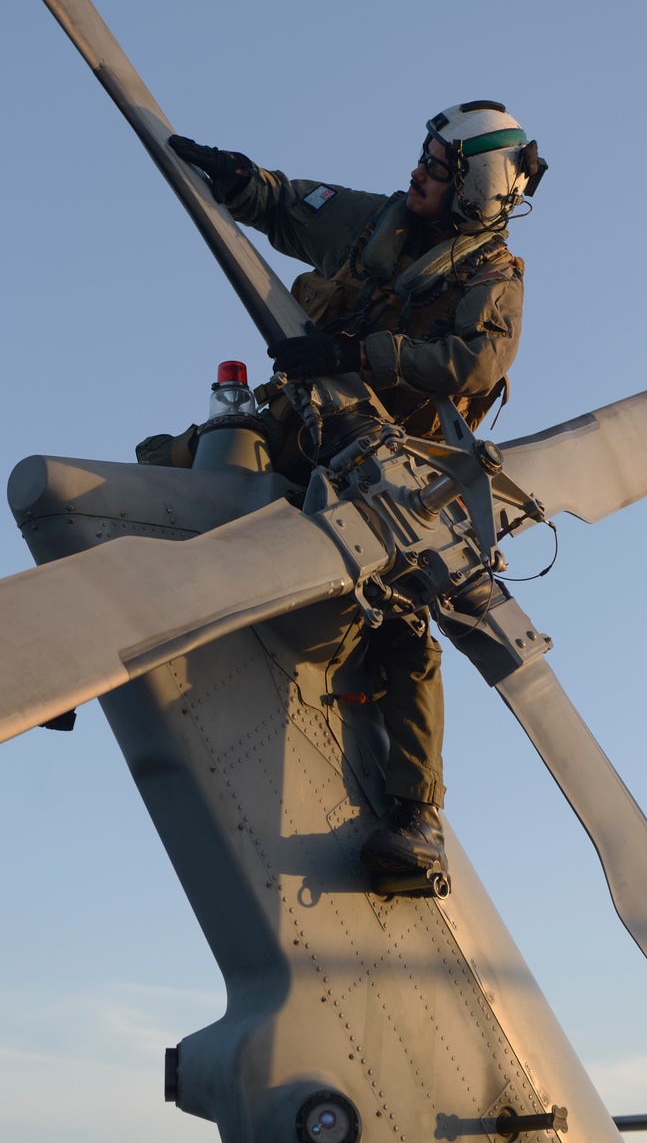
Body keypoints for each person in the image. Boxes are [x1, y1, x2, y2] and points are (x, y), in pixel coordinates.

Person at [142, 102, 545, 880]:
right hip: (304, 424)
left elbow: (475, 365)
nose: (418, 173)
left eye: (437, 166)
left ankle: (414, 818)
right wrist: (238, 180)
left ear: (474, 188)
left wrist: (363, 351)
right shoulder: (381, 223)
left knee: (400, 627)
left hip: (382, 473)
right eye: (424, 158)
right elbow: (294, 210)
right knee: (168, 468)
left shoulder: (493, 280)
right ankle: (90, 626)